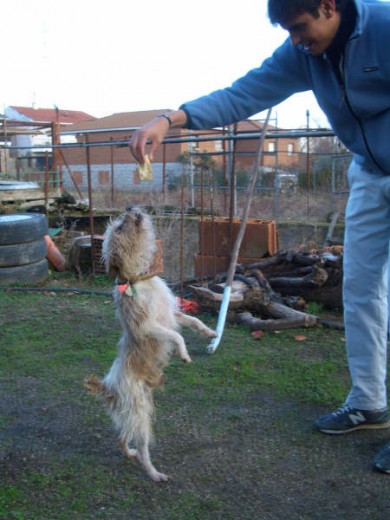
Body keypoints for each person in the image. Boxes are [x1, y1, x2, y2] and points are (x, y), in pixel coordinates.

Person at [129, 0, 390, 473]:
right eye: (288, 30)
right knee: (361, 290)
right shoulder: (304, 53)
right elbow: (241, 95)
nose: (295, 39)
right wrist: (170, 119)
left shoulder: (386, 26)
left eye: (300, 26)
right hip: (371, 173)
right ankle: (369, 402)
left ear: (329, 6)